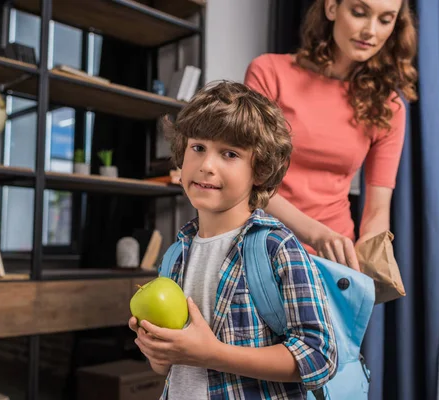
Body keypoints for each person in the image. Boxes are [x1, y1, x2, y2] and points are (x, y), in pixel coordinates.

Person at [128, 81, 337, 399]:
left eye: (229, 154)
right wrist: (158, 353)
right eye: (198, 148)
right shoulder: (175, 255)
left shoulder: (276, 248)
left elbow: (319, 357)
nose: (206, 166)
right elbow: (170, 366)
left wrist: (212, 353)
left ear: (261, 171)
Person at [244, 0, 418, 271]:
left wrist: (370, 259)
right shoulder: (269, 73)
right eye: (359, 13)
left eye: (385, 20)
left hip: (333, 260)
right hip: (261, 247)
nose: (370, 30)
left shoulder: (389, 106)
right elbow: (247, 180)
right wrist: (316, 235)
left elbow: (376, 212)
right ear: (332, 8)